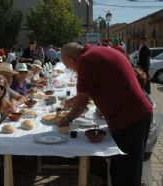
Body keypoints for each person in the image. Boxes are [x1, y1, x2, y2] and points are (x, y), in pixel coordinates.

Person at [60, 42, 153, 186]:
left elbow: (80, 107)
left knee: (126, 173)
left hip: (131, 118)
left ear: (71, 59)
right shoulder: (96, 52)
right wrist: (74, 100)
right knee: (120, 168)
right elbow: (97, 85)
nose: (70, 70)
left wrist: (66, 119)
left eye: (68, 66)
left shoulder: (85, 61)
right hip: (135, 114)